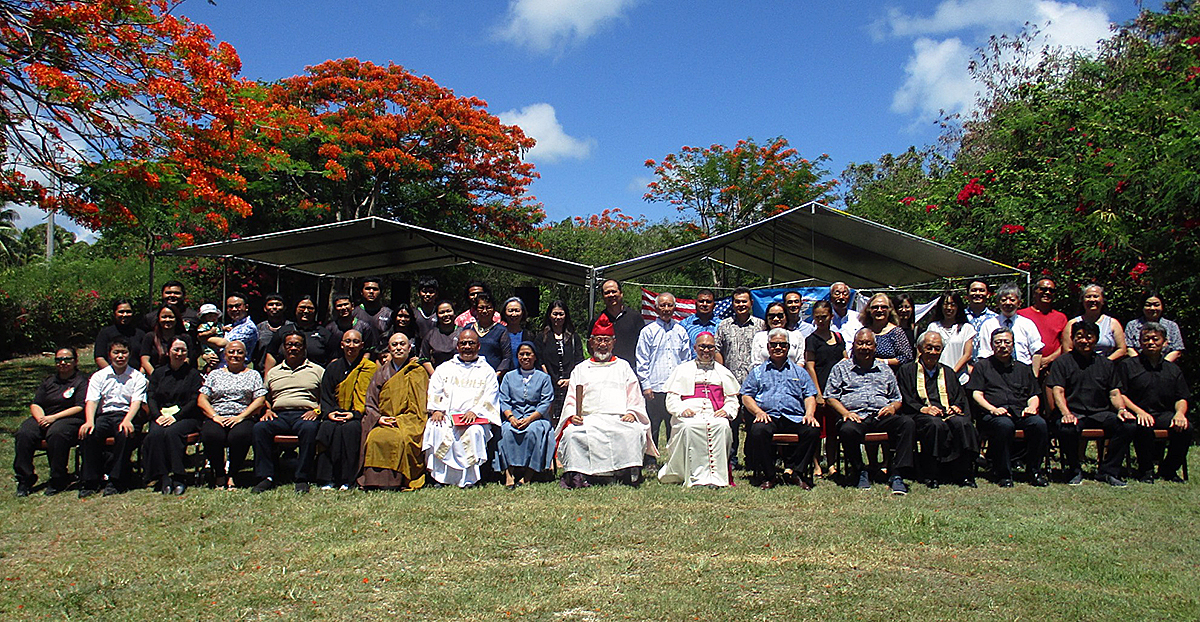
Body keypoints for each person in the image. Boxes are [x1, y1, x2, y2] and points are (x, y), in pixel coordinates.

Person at [557, 315, 654, 488]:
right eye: (599, 340)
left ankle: (625, 473)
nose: (603, 344)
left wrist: (632, 412)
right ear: (591, 343)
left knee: (634, 431)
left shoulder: (623, 367)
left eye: (607, 340)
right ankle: (582, 474)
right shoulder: (580, 369)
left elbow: (635, 396)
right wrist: (573, 416)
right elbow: (571, 399)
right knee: (573, 434)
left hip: (618, 418)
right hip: (589, 419)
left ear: (613, 342)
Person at [825, 328, 915, 495]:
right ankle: (860, 471)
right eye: (860, 343)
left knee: (907, 423)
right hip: (855, 416)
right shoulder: (841, 367)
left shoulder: (884, 369)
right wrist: (845, 413)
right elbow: (830, 397)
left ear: (875, 347)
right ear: (854, 346)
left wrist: (892, 407)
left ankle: (897, 474)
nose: (864, 347)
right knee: (847, 430)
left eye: (868, 344)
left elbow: (897, 398)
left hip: (881, 415)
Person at [1047, 320, 1135, 487]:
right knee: (1066, 428)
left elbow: (1114, 392)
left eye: (1089, 337)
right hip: (1072, 411)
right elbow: (1057, 391)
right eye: (1079, 337)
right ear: (1072, 339)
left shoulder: (1106, 364)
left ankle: (1108, 471)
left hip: (1099, 412)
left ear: (1096, 339)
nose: (1084, 341)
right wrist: (1066, 413)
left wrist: (1122, 409)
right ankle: (1074, 470)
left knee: (1127, 425)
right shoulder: (1062, 362)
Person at [968, 327, 1050, 487]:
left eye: (1007, 342)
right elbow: (976, 394)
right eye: (998, 342)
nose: (1003, 346)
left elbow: (1033, 394)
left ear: (1013, 345)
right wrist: (992, 409)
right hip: (992, 414)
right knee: (1004, 425)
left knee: (1039, 424)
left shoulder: (1023, 368)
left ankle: (1034, 471)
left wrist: (1032, 407)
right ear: (992, 345)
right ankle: (1003, 474)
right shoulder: (982, 366)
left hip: (1020, 412)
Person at [656, 333, 739, 488]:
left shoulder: (723, 372)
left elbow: (732, 399)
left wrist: (727, 410)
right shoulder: (682, 370)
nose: (706, 350)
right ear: (695, 348)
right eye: (702, 346)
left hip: (714, 414)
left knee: (722, 425)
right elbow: (672, 398)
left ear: (715, 349)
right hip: (689, 415)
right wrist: (682, 410)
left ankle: (717, 478)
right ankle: (694, 477)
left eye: (710, 347)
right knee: (689, 427)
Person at [741, 329, 822, 489]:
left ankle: (796, 472)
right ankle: (769, 475)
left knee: (812, 430)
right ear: (768, 347)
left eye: (782, 344)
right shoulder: (757, 372)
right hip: (768, 417)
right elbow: (746, 396)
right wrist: (758, 412)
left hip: (794, 417)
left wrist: (809, 414)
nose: (778, 347)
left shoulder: (800, 372)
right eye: (774, 344)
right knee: (758, 431)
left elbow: (809, 395)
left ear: (788, 347)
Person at [897, 331, 979, 488]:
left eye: (937, 348)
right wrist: (923, 409)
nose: (933, 353)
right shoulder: (907, 370)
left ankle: (964, 473)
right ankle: (932, 473)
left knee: (963, 424)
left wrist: (956, 406)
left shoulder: (947, 372)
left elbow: (959, 396)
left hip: (946, 412)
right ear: (920, 348)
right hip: (920, 415)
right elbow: (905, 397)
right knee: (935, 425)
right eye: (929, 348)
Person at [423, 328, 500, 488]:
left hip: (474, 418)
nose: (467, 346)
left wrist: (475, 412)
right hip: (446, 416)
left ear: (478, 346)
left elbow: (490, 396)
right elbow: (435, 389)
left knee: (474, 432)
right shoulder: (444, 368)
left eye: (471, 343)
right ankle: (441, 479)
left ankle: (469, 479)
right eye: (463, 343)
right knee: (436, 427)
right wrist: (436, 409)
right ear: (457, 346)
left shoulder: (487, 371)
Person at [252, 332, 326, 493]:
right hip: (279, 415)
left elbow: (325, 397)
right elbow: (264, 396)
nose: (293, 348)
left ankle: (302, 477)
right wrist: (267, 409)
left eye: (297, 345)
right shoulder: (274, 372)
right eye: (289, 345)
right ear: (284, 348)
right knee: (260, 428)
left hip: (306, 414)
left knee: (309, 429)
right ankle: (266, 477)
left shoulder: (317, 370)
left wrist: (317, 410)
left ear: (304, 348)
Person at [358, 332, 431, 490]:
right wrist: (378, 418)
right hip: (385, 419)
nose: (399, 348)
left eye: (402, 344)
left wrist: (403, 420)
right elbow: (370, 401)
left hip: (411, 420)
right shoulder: (380, 373)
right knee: (374, 437)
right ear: (389, 349)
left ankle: (398, 481)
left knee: (401, 438)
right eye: (394, 345)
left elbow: (421, 404)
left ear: (409, 347)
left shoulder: (417, 371)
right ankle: (375, 481)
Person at [78, 337, 148, 497]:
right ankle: (90, 481)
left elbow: (136, 402)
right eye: (116, 352)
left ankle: (116, 481)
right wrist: (89, 421)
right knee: (89, 434)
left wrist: (127, 420)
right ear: (110, 355)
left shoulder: (137, 377)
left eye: (124, 352)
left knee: (125, 434)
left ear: (129, 355)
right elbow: (92, 400)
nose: (120, 356)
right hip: (104, 415)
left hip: (127, 415)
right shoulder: (99, 376)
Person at [1121, 322, 1191, 483]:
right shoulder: (1128, 366)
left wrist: (1180, 414)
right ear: (1140, 343)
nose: (1150, 343)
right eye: (1146, 339)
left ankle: (1169, 470)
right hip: (1137, 412)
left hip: (1163, 414)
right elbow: (1120, 394)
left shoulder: (1173, 369)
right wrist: (1139, 412)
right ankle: (1146, 471)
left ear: (1165, 343)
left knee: (1186, 429)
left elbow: (1182, 397)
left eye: (1155, 339)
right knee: (1143, 426)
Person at [13, 347, 88, 497]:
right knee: (24, 433)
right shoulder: (49, 381)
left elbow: (80, 406)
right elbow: (36, 404)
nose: (63, 363)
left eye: (67, 359)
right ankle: (25, 479)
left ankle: (58, 478)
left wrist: (54, 418)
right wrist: (41, 418)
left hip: (69, 418)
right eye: (59, 359)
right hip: (45, 416)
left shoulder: (81, 381)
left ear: (75, 361)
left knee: (57, 433)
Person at [315, 329, 378, 490]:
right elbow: (326, 395)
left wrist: (355, 413)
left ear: (362, 345)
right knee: (327, 429)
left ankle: (347, 479)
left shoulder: (369, 368)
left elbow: (372, 396)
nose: (351, 345)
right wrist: (330, 412)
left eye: (356, 342)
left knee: (351, 430)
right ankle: (327, 478)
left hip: (359, 415)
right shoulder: (333, 367)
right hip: (334, 413)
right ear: (342, 344)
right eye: (348, 342)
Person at [198, 340, 265, 489]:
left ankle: (233, 474)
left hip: (243, 416)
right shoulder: (215, 374)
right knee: (212, 435)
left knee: (239, 435)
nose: (235, 355)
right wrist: (215, 416)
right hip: (218, 415)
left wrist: (241, 417)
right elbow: (202, 399)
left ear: (245, 355)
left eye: (240, 352)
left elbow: (260, 400)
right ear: (225, 355)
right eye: (232, 352)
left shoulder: (253, 375)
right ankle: (220, 474)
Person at [140, 336, 203, 495]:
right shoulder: (158, 373)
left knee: (172, 433)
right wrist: (156, 415)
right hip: (161, 415)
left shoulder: (193, 374)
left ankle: (179, 476)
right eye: (176, 349)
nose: (179, 353)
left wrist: (176, 417)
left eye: (183, 350)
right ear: (168, 352)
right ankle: (163, 477)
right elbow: (151, 396)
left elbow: (195, 400)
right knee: (155, 434)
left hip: (186, 416)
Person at [636, 291, 694, 461]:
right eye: (663, 305)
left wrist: (684, 386)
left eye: (669, 305)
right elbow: (642, 360)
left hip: (675, 389)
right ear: (656, 308)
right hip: (654, 387)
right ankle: (650, 460)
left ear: (674, 307)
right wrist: (645, 385)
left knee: (674, 426)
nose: (666, 309)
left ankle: (674, 460)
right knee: (652, 426)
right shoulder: (648, 331)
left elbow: (686, 360)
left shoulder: (681, 331)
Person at [715, 286, 765, 468]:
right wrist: (722, 373)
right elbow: (718, 349)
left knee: (753, 424)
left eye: (744, 301)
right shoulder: (724, 325)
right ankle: (731, 458)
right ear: (732, 304)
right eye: (737, 301)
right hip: (731, 382)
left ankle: (752, 458)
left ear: (751, 303)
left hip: (755, 384)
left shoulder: (760, 325)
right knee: (732, 423)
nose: (741, 305)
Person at [495, 342, 555, 487]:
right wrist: (510, 417)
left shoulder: (544, 378)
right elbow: (504, 399)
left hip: (536, 418)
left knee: (533, 432)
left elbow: (545, 403)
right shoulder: (509, 377)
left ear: (535, 357)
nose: (525, 357)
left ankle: (527, 476)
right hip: (513, 417)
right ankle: (509, 476)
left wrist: (529, 419)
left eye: (528, 354)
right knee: (506, 431)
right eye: (521, 354)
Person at [804, 300, 847, 477]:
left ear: (831, 316)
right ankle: (816, 465)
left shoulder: (838, 338)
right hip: (820, 388)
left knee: (832, 432)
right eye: (817, 317)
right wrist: (818, 393)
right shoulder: (811, 340)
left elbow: (845, 359)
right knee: (817, 431)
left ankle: (831, 464)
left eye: (824, 317)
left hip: (838, 391)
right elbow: (810, 366)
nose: (821, 321)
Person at [976, 283, 1043, 373]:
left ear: (1019, 303)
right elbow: (984, 353)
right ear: (998, 303)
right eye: (1004, 300)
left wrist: (1034, 376)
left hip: (1023, 372)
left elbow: (1037, 352)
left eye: (1012, 300)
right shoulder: (988, 325)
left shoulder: (1027, 324)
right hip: (995, 372)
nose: (1008, 303)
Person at [536, 299, 584, 424]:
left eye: (561, 314)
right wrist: (548, 378)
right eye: (555, 314)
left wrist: (570, 380)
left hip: (570, 385)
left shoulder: (574, 337)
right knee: (551, 419)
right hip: (550, 385)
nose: (558, 317)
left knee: (568, 418)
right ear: (549, 315)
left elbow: (579, 361)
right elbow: (539, 360)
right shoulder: (542, 337)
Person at [264, 296, 335, 371]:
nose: (306, 311)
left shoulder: (324, 333)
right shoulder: (283, 331)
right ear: (295, 309)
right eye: (302, 307)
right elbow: (271, 354)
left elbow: (333, 358)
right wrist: (268, 378)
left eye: (310, 308)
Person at [1062, 284, 1126, 361]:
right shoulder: (1072, 323)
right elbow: (1068, 349)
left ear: (1102, 300)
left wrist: (1104, 363)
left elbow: (1121, 349)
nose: (1092, 300)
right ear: (1082, 300)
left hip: (1107, 368)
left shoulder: (1113, 323)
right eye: (1088, 297)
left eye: (1096, 296)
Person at [1018, 278, 1069, 373]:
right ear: (1035, 292)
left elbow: (1065, 344)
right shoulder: (1020, 315)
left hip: (1052, 368)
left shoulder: (1061, 317)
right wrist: (1035, 361)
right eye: (1043, 289)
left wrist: (1048, 360)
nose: (1047, 292)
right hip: (1025, 367)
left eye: (1051, 290)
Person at [926, 291, 975, 384]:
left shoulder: (966, 328)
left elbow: (967, 354)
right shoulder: (933, 327)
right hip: (936, 377)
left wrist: (952, 373)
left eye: (953, 304)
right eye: (946, 304)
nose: (949, 308)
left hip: (960, 379)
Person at [1124, 291, 1185, 362]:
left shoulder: (1172, 326)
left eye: (1156, 305)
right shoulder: (1132, 325)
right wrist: (1140, 364)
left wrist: (1163, 365)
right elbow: (1129, 347)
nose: (1152, 308)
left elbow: (1177, 350)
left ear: (1162, 306)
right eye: (1148, 305)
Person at [858, 293, 914, 368]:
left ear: (890, 310)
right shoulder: (864, 332)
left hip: (889, 376)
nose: (879, 310)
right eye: (875, 307)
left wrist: (883, 362)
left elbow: (907, 357)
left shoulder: (897, 332)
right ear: (869, 310)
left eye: (884, 307)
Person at [599, 279, 645, 366]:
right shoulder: (598, 320)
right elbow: (591, 346)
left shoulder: (635, 317)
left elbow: (643, 345)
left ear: (621, 293)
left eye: (614, 291)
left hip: (631, 369)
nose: (611, 295)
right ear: (603, 296)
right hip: (605, 369)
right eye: (607, 292)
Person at [205, 294, 258, 368]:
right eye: (230, 306)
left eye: (237, 306)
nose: (234, 309)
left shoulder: (248, 327)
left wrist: (201, 337)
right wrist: (206, 355)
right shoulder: (228, 326)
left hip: (237, 370)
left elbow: (222, 343)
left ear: (246, 307)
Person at [466, 293, 511, 376]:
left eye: (488, 307)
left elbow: (506, 357)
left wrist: (496, 375)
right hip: (469, 376)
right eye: (481, 308)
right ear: (476, 309)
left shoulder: (501, 330)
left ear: (494, 310)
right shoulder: (468, 329)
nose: (484, 311)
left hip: (493, 377)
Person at [140, 305, 193, 375]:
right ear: (158, 319)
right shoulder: (150, 337)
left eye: (171, 317)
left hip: (179, 376)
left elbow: (187, 359)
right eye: (164, 317)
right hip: (154, 375)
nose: (167, 320)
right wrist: (155, 377)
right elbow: (145, 360)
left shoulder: (185, 338)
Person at [94, 298, 145, 369]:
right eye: (121, 312)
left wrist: (138, 376)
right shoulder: (105, 333)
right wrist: (114, 374)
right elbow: (99, 358)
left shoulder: (140, 334)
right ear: (114, 313)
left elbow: (145, 359)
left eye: (128, 312)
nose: (125, 315)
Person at [326, 292, 379, 362]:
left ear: (352, 306)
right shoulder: (330, 328)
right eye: (339, 305)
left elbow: (368, 351)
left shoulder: (364, 327)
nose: (343, 308)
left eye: (346, 304)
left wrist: (360, 366)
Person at [751, 301, 805, 367]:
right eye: (771, 316)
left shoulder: (796, 335)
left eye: (780, 316)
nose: (776, 319)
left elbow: (800, 360)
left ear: (786, 317)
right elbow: (756, 362)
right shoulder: (759, 337)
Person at [420, 300, 461, 373]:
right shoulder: (430, 335)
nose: (445, 314)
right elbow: (424, 359)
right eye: (441, 312)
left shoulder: (462, 333)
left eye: (448, 311)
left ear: (454, 313)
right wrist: (435, 376)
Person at [964, 280, 998, 363]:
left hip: (988, 365)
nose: (977, 293)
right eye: (974, 290)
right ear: (967, 295)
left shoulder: (996, 319)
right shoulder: (960, 317)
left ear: (988, 294)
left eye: (982, 290)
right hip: (962, 367)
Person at [255, 294, 288, 369]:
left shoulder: (291, 328)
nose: (274, 307)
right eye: (270, 304)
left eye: (278, 304)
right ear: (265, 308)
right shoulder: (259, 328)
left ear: (284, 308)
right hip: (262, 371)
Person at [829, 282, 863, 352]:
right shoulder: (824, 319)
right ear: (830, 297)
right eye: (837, 293)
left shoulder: (858, 318)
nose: (841, 297)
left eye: (845, 294)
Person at [501, 297, 531, 372]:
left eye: (517, 311)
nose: (514, 314)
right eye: (510, 311)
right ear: (504, 313)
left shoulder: (529, 335)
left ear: (523, 313)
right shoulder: (499, 333)